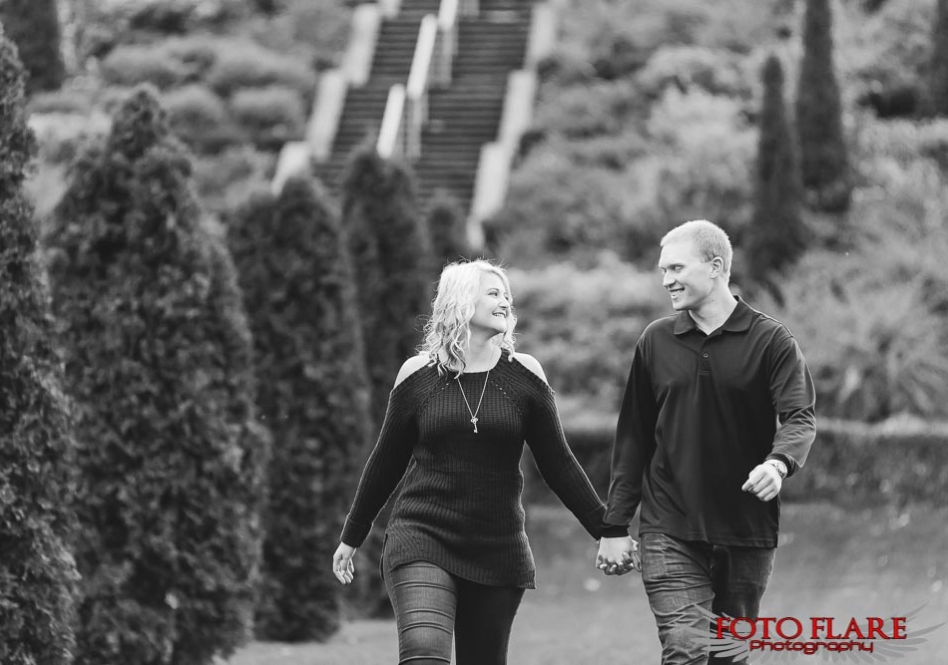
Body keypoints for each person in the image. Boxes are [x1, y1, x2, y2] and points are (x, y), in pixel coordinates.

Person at [333, 259, 621, 665]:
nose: (505, 301)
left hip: (497, 547)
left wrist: (607, 530)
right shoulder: (417, 376)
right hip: (422, 536)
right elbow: (385, 462)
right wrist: (352, 535)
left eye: (507, 295)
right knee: (423, 654)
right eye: (493, 292)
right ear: (461, 301)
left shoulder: (525, 376)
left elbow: (559, 464)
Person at [596, 220, 816, 664]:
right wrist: (615, 525)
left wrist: (778, 464)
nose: (666, 280)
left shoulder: (771, 341)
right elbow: (634, 437)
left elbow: (799, 416)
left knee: (728, 656)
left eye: (676, 268)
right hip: (668, 525)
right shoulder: (656, 341)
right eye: (662, 270)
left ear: (716, 267)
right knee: (687, 649)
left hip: (745, 530)